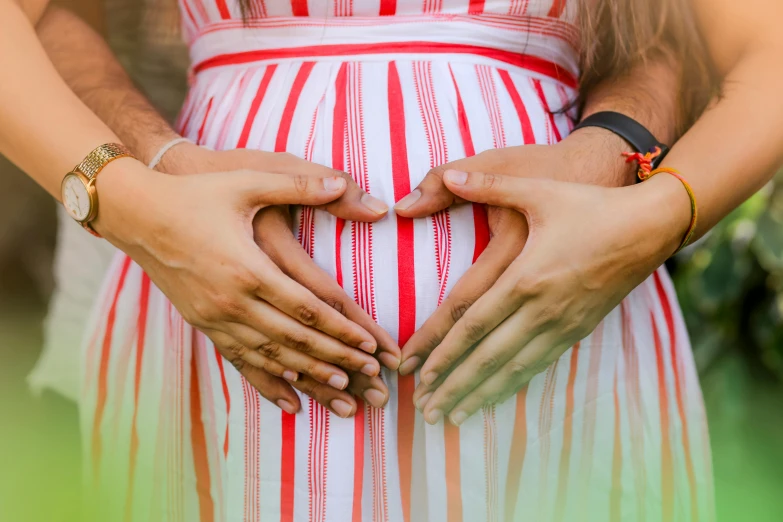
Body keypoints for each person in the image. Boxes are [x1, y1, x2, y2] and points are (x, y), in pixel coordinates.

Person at [6, 0, 778, 520]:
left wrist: (649, 214)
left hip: (562, 331)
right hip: (212, 321)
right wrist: (137, 197)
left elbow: (735, 39)